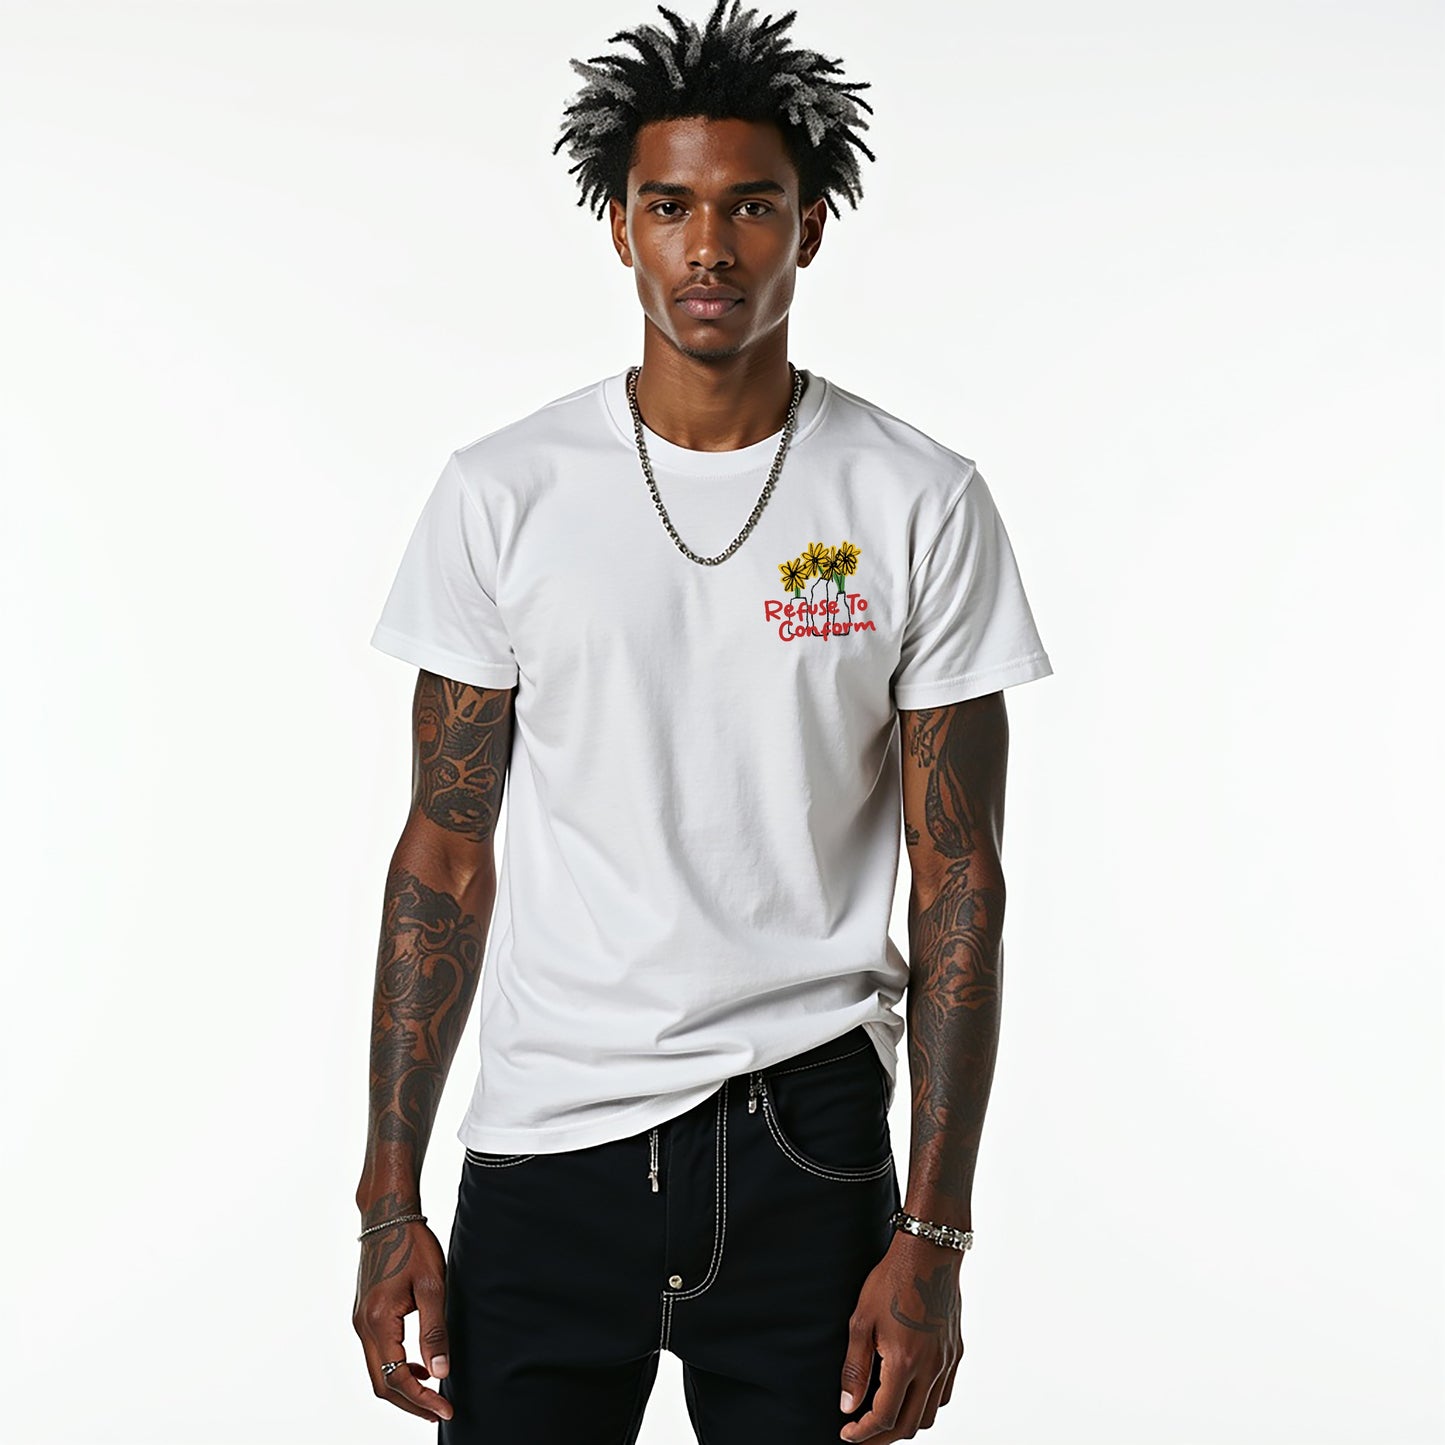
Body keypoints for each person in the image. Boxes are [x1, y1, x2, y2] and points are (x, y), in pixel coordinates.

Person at [351, 2, 1053, 1440]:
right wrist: (387, 1195)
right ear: (621, 228)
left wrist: (935, 1233)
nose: (710, 248)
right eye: (670, 207)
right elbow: (445, 856)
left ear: (810, 228)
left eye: (752, 206)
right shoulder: (504, 493)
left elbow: (959, 879)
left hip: (806, 1136)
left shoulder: (915, 500)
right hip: (547, 1139)